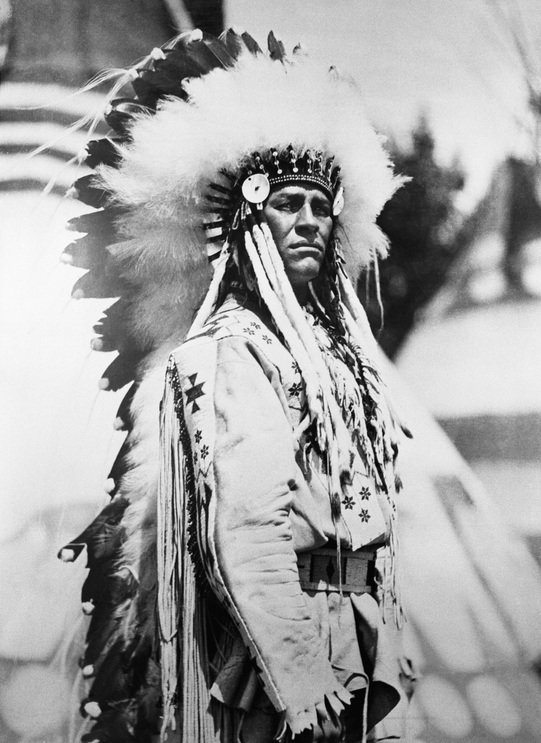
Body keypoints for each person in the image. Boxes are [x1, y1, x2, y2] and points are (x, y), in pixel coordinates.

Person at [59, 29, 415, 743]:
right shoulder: (229, 353)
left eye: (321, 206)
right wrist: (304, 685)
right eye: (288, 204)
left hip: (358, 631)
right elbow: (246, 533)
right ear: (249, 222)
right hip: (280, 667)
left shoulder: (335, 359)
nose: (310, 220)